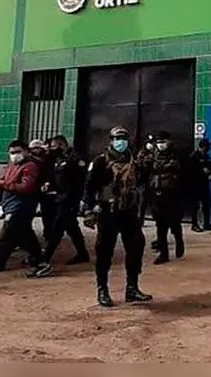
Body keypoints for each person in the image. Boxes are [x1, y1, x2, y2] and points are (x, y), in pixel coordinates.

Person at [0, 140, 53, 293]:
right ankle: (42, 263)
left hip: (21, 208)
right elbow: (8, 180)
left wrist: (4, 185)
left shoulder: (30, 166)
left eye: (17, 152)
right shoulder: (12, 165)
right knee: (26, 237)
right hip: (11, 206)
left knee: (4, 241)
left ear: (26, 151)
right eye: (12, 152)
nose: (14, 155)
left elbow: (26, 187)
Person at [82, 126, 153, 307]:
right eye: (117, 138)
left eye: (124, 138)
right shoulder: (100, 161)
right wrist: (88, 209)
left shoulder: (133, 160)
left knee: (136, 247)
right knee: (104, 251)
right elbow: (89, 187)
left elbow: (141, 181)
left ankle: (132, 288)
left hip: (129, 211)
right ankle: (102, 289)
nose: (121, 142)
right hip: (108, 211)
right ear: (111, 141)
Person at [41, 134, 91, 265]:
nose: (51, 149)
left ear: (61, 145)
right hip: (61, 197)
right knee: (71, 227)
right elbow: (57, 177)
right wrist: (49, 185)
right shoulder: (59, 158)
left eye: (54, 146)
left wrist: (79, 201)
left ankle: (45, 257)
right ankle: (82, 253)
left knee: (57, 228)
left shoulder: (75, 159)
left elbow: (81, 181)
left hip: (69, 199)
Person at [150, 131, 185, 264]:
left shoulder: (176, 153)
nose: (160, 144)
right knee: (160, 225)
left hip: (173, 194)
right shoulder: (153, 154)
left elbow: (178, 167)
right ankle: (163, 254)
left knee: (174, 222)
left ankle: (179, 241)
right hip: (158, 193)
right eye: (158, 142)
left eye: (163, 142)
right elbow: (145, 165)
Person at [188, 138, 211, 232]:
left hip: (204, 183)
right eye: (207, 147)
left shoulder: (206, 156)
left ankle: (206, 223)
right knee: (195, 205)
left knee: (207, 203)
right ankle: (194, 224)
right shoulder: (194, 156)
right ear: (203, 147)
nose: (209, 149)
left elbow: (210, 167)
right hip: (195, 184)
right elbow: (190, 171)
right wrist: (201, 170)